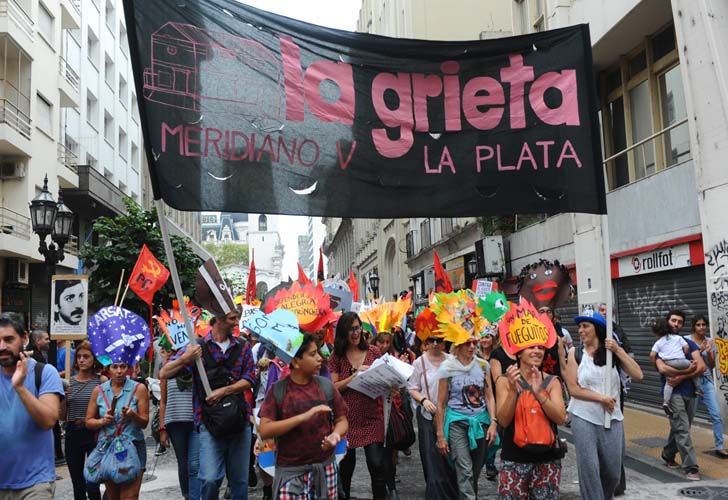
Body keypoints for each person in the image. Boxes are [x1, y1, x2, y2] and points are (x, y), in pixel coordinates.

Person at [160, 309, 256, 500]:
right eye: (232, 318)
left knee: (239, 482)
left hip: (239, 421)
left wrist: (224, 391)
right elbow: (164, 373)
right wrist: (185, 358)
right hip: (209, 424)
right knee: (210, 478)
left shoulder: (243, 346)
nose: (237, 322)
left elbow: (250, 379)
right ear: (218, 319)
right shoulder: (197, 346)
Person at [258, 333, 349, 498]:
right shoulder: (278, 390)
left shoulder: (326, 386)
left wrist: (335, 435)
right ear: (295, 361)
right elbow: (264, 430)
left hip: (325, 469)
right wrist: (303, 417)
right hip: (290, 473)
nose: (319, 358)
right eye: (312, 354)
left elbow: (342, 420)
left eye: (318, 352)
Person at [565, 311, 643, 499]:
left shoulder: (611, 354)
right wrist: (601, 398)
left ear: (597, 329)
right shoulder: (575, 353)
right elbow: (574, 390)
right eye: (580, 326)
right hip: (583, 416)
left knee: (613, 471)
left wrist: (618, 350)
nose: (581, 330)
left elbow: (638, 375)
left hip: (612, 417)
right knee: (589, 469)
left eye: (586, 326)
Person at [0, 314, 63, 499]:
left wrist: (19, 387)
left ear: (25, 338)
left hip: (36, 483)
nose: (2, 346)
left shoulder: (44, 372)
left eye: (8, 339)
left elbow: (49, 420)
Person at [495, 345, 567, 500]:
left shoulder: (552, 381)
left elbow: (561, 418)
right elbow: (503, 420)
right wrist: (513, 391)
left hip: (547, 461)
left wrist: (540, 394)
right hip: (514, 459)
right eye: (531, 347)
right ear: (519, 353)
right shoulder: (504, 381)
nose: (537, 351)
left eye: (541, 347)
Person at [329, 312, 387, 500]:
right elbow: (333, 388)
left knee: (377, 465)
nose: (355, 333)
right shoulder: (337, 356)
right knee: (345, 470)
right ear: (343, 333)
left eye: (357, 328)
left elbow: (383, 379)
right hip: (346, 420)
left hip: (372, 416)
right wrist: (354, 377)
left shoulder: (373, 352)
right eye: (350, 329)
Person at [435, 334, 497, 500]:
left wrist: (493, 423)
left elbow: (489, 396)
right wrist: (440, 434)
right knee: (465, 469)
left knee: (475, 471)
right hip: (457, 423)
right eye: (467, 343)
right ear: (458, 345)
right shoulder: (447, 368)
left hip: (480, 423)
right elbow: (440, 404)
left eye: (474, 342)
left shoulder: (483, 366)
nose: (471, 346)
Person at [86, 360, 150, 500]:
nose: (119, 371)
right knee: (113, 496)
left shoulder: (139, 389)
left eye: (123, 366)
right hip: (109, 448)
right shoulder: (99, 391)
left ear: (128, 368)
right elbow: (88, 421)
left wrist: (133, 415)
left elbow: (144, 422)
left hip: (133, 445)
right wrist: (102, 421)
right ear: (108, 369)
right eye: (115, 367)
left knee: (130, 496)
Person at [656, 310, 705, 480]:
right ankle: (691, 467)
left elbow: (701, 367)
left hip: (690, 392)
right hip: (672, 393)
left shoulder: (687, 343)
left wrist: (680, 377)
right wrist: (687, 369)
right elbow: (662, 368)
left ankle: (668, 454)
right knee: (682, 429)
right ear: (667, 321)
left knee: (681, 426)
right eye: (673, 320)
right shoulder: (661, 343)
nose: (676, 324)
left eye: (679, 322)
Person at [407, 334, 457, 499]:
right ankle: (435, 492)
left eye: (439, 341)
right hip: (428, 416)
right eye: (431, 341)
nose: (435, 344)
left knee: (449, 455)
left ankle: (451, 490)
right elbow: (412, 387)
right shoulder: (419, 362)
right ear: (426, 343)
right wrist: (423, 400)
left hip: (450, 415)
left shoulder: (451, 360)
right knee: (430, 455)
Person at [63, 341, 106, 500]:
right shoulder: (69, 382)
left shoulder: (101, 381)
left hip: (94, 432)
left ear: (94, 359)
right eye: (79, 357)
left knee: (93, 480)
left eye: (86, 357)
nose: (81, 360)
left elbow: (107, 408)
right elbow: (62, 416)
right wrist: (63, 399)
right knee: (77, 481)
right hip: (73, 432)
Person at [685, 315, 728, 458]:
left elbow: (712, 365)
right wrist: (698, 350)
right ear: (693, 327)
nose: (701, 327)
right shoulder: (686, 340)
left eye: (704, 324)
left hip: (706, 381)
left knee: (716, 414)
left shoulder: (710, 341)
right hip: (691, 382)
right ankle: (683, 446)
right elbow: (684, 361)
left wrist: (709, 352)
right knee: (688, 418)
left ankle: (719, 446)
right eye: (698, 325)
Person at [159, 357, 200, 500]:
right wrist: (162, 429)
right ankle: (187, 495)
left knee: (194, 464)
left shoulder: (197, 366)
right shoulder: (167, 369)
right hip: (174, 422)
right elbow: (163, 401)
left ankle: (195, 496)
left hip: (195, 421)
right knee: (182, 463)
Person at [649, 318, 701, 415]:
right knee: (693, 367)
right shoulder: (677, 338)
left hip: (669, 363)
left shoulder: (658, 342)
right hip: (682, 361)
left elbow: (652, 355)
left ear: (655, 333)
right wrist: (684, 355)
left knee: (669, 383)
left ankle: (666, 402)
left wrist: (654, 364)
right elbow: (686, 347)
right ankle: (698, 389)